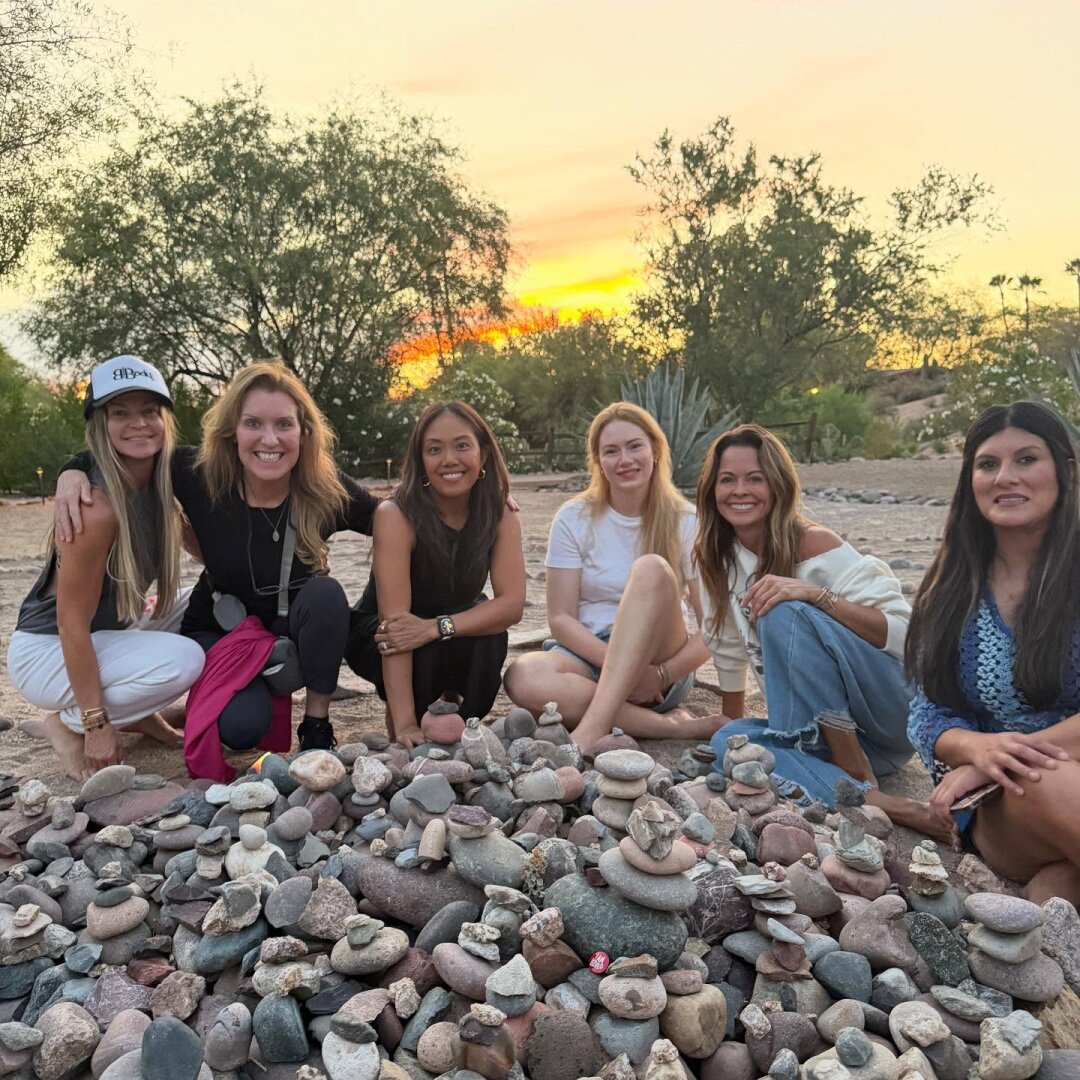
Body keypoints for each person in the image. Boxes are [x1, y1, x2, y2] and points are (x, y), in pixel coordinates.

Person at [53, 361, 378, 766]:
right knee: (241, 731)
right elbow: (132, 450)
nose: (269, 439)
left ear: (304, 431)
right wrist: (72, 470)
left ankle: (315, 724)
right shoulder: (199, 474)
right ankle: (232, 695)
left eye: (284, 424)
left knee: (326, 594)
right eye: (253, 423)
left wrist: (381, 606)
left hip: (293, 627)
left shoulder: (326, 489)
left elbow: (391, 520)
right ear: (231, 431)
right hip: (222, 628)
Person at [695, 424, 932, 830]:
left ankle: (852, 767)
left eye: (755, 478)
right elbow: (730, 649)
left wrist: (815, 595)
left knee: (780, 609)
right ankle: (879, 802)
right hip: (810, 735)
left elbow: (906, 637)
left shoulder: (815, 544)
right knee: (726, 744)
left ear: (777, 484)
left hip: (886, 715)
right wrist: (734, 723)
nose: (740, 491)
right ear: (711, 490)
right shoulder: (719, 558)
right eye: (727, 480)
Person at [908, 402, 1080, 904]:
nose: (1005, 477)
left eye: (1026, 459)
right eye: (988, 464)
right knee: (1042, 777)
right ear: (971, 480)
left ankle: (1061, 885)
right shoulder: (950, 590)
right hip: (1007, 803)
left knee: (1056, 888)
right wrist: (980, 751)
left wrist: (998, 757)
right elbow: (927, 716)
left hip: (1006, 771)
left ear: (1066, 471)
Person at [8, 356, 205, 780]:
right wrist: (96, 723)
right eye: (120, 413)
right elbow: (70, 624)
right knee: (184, 660)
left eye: (149, 411)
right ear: (101, 424)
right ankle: (68, 725)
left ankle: (139, 714)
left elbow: (210, 556)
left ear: (165, 419)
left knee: (209, 598)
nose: (139, 424)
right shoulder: (96, 507)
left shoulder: (162, 488)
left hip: (110, 630)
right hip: (46, 650)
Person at [504, 402, 717, 750]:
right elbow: (560, 619)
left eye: (634, 446)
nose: (625, 460)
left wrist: (659, 675)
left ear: (655, 450)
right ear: (598, 461)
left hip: (660, 662)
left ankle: (591, 729)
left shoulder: (687, 520)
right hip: (591, 654)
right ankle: (673, 728)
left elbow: (714, 627)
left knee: (651, 568)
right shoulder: (573, 517)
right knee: (523, 676)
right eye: (611, 451)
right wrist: (620, 667)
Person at [344, 401, 526, 749]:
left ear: (484, 454)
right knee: (416, 642)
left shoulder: (500, 513)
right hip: (382, 632)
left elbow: (512, 605)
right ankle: (409, 712)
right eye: (434, 449)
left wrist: (435, 628)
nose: (449, 459)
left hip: (444, 624)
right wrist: (405, 723)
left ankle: (463, 723)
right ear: (420, 460)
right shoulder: (396, 514)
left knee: (489, 635)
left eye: (462, 445)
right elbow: (395, 629)